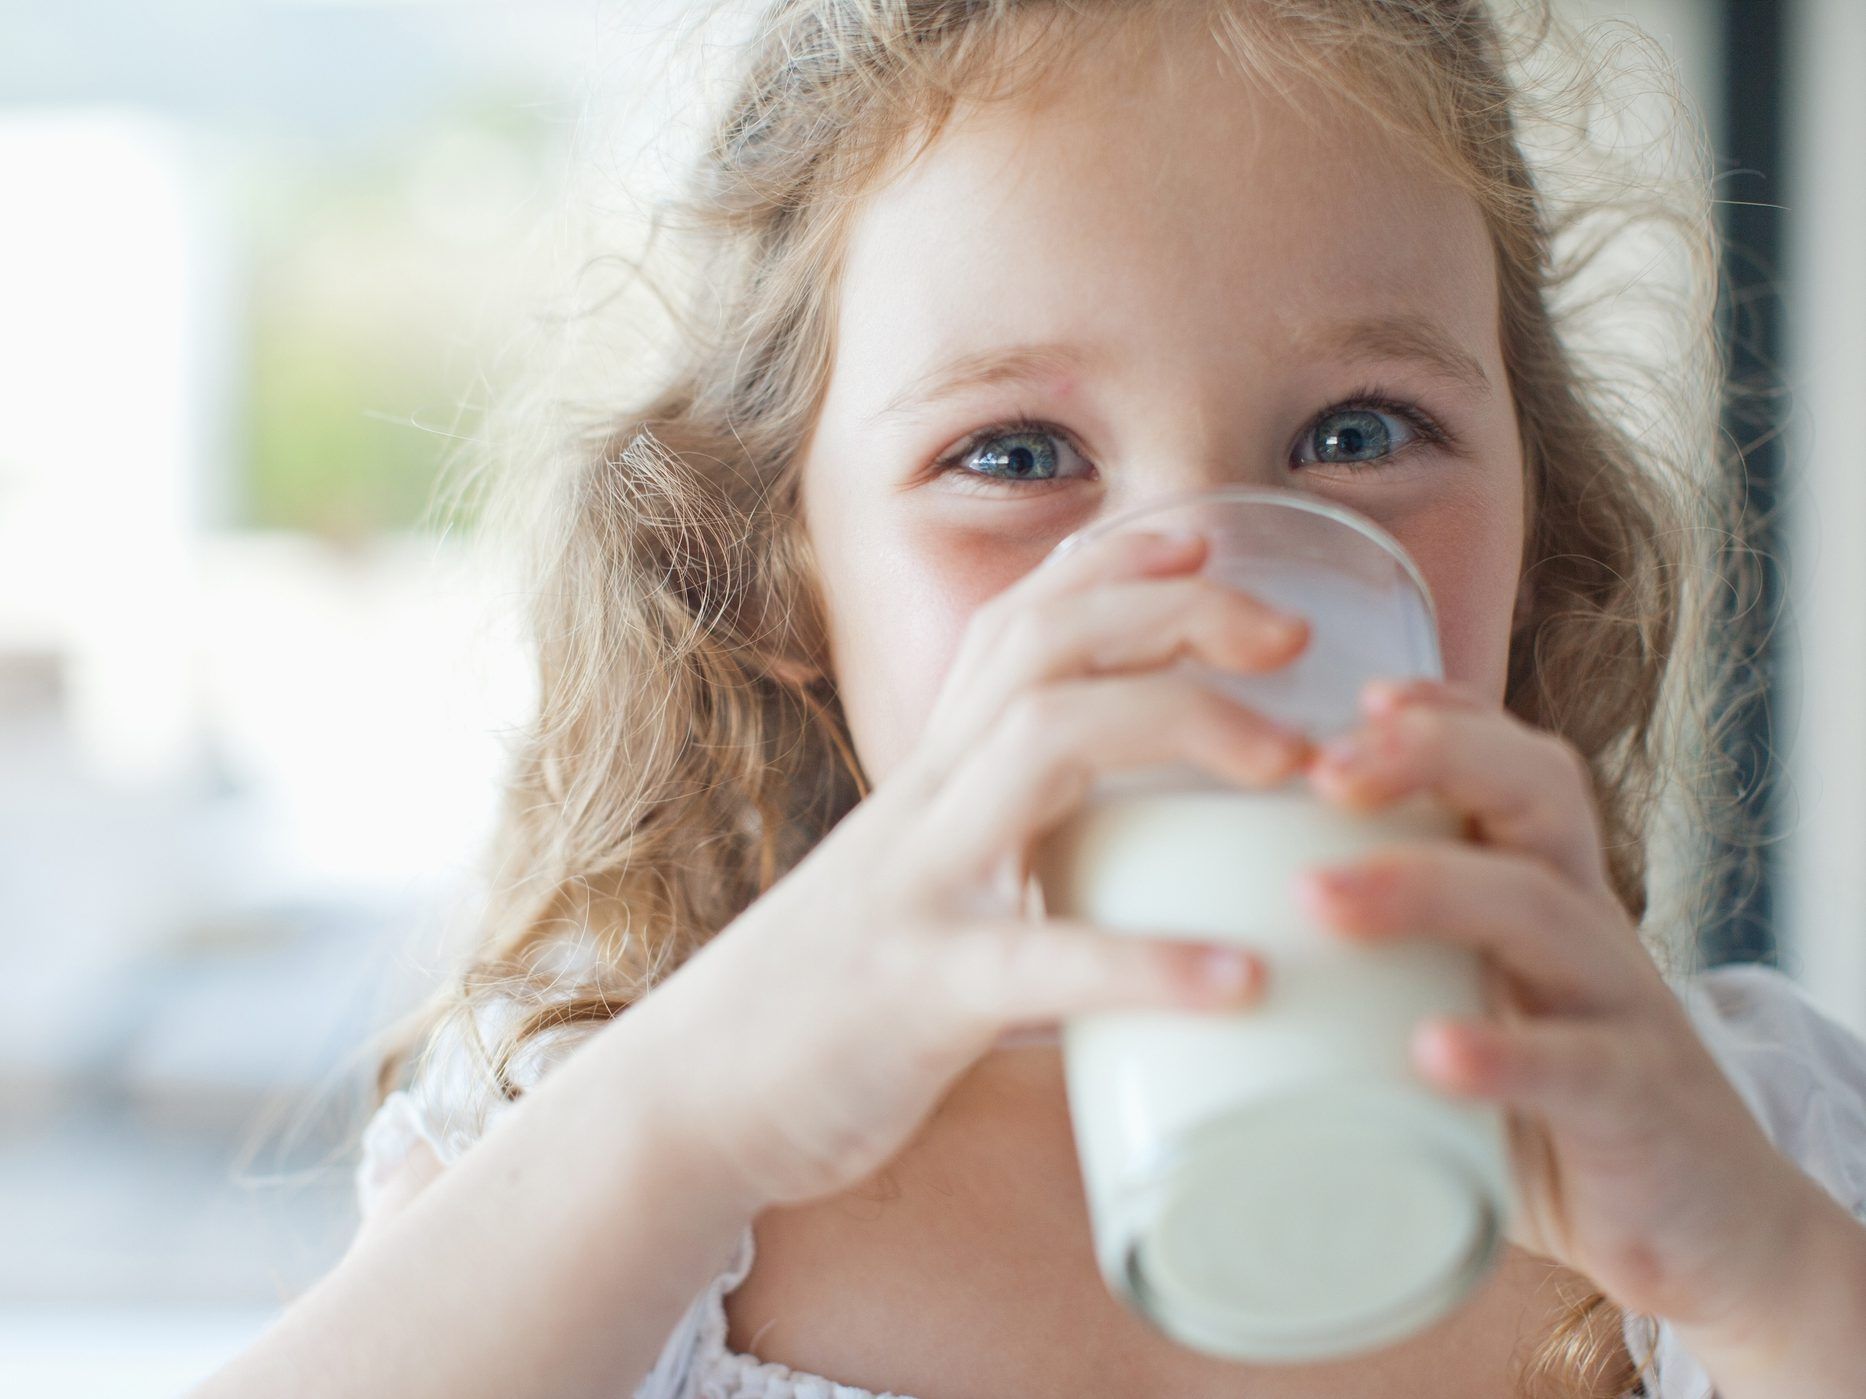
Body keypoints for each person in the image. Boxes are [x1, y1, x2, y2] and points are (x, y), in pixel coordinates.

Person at [190, 2, 1866, 1396]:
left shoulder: (1740, 1146)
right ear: (779, 576)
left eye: (1356, 437)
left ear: (1534, 509)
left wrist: (1770, 1281)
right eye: (1013, 457)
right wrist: (684, 1120)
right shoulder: (591, 1186)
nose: (1205, 595)